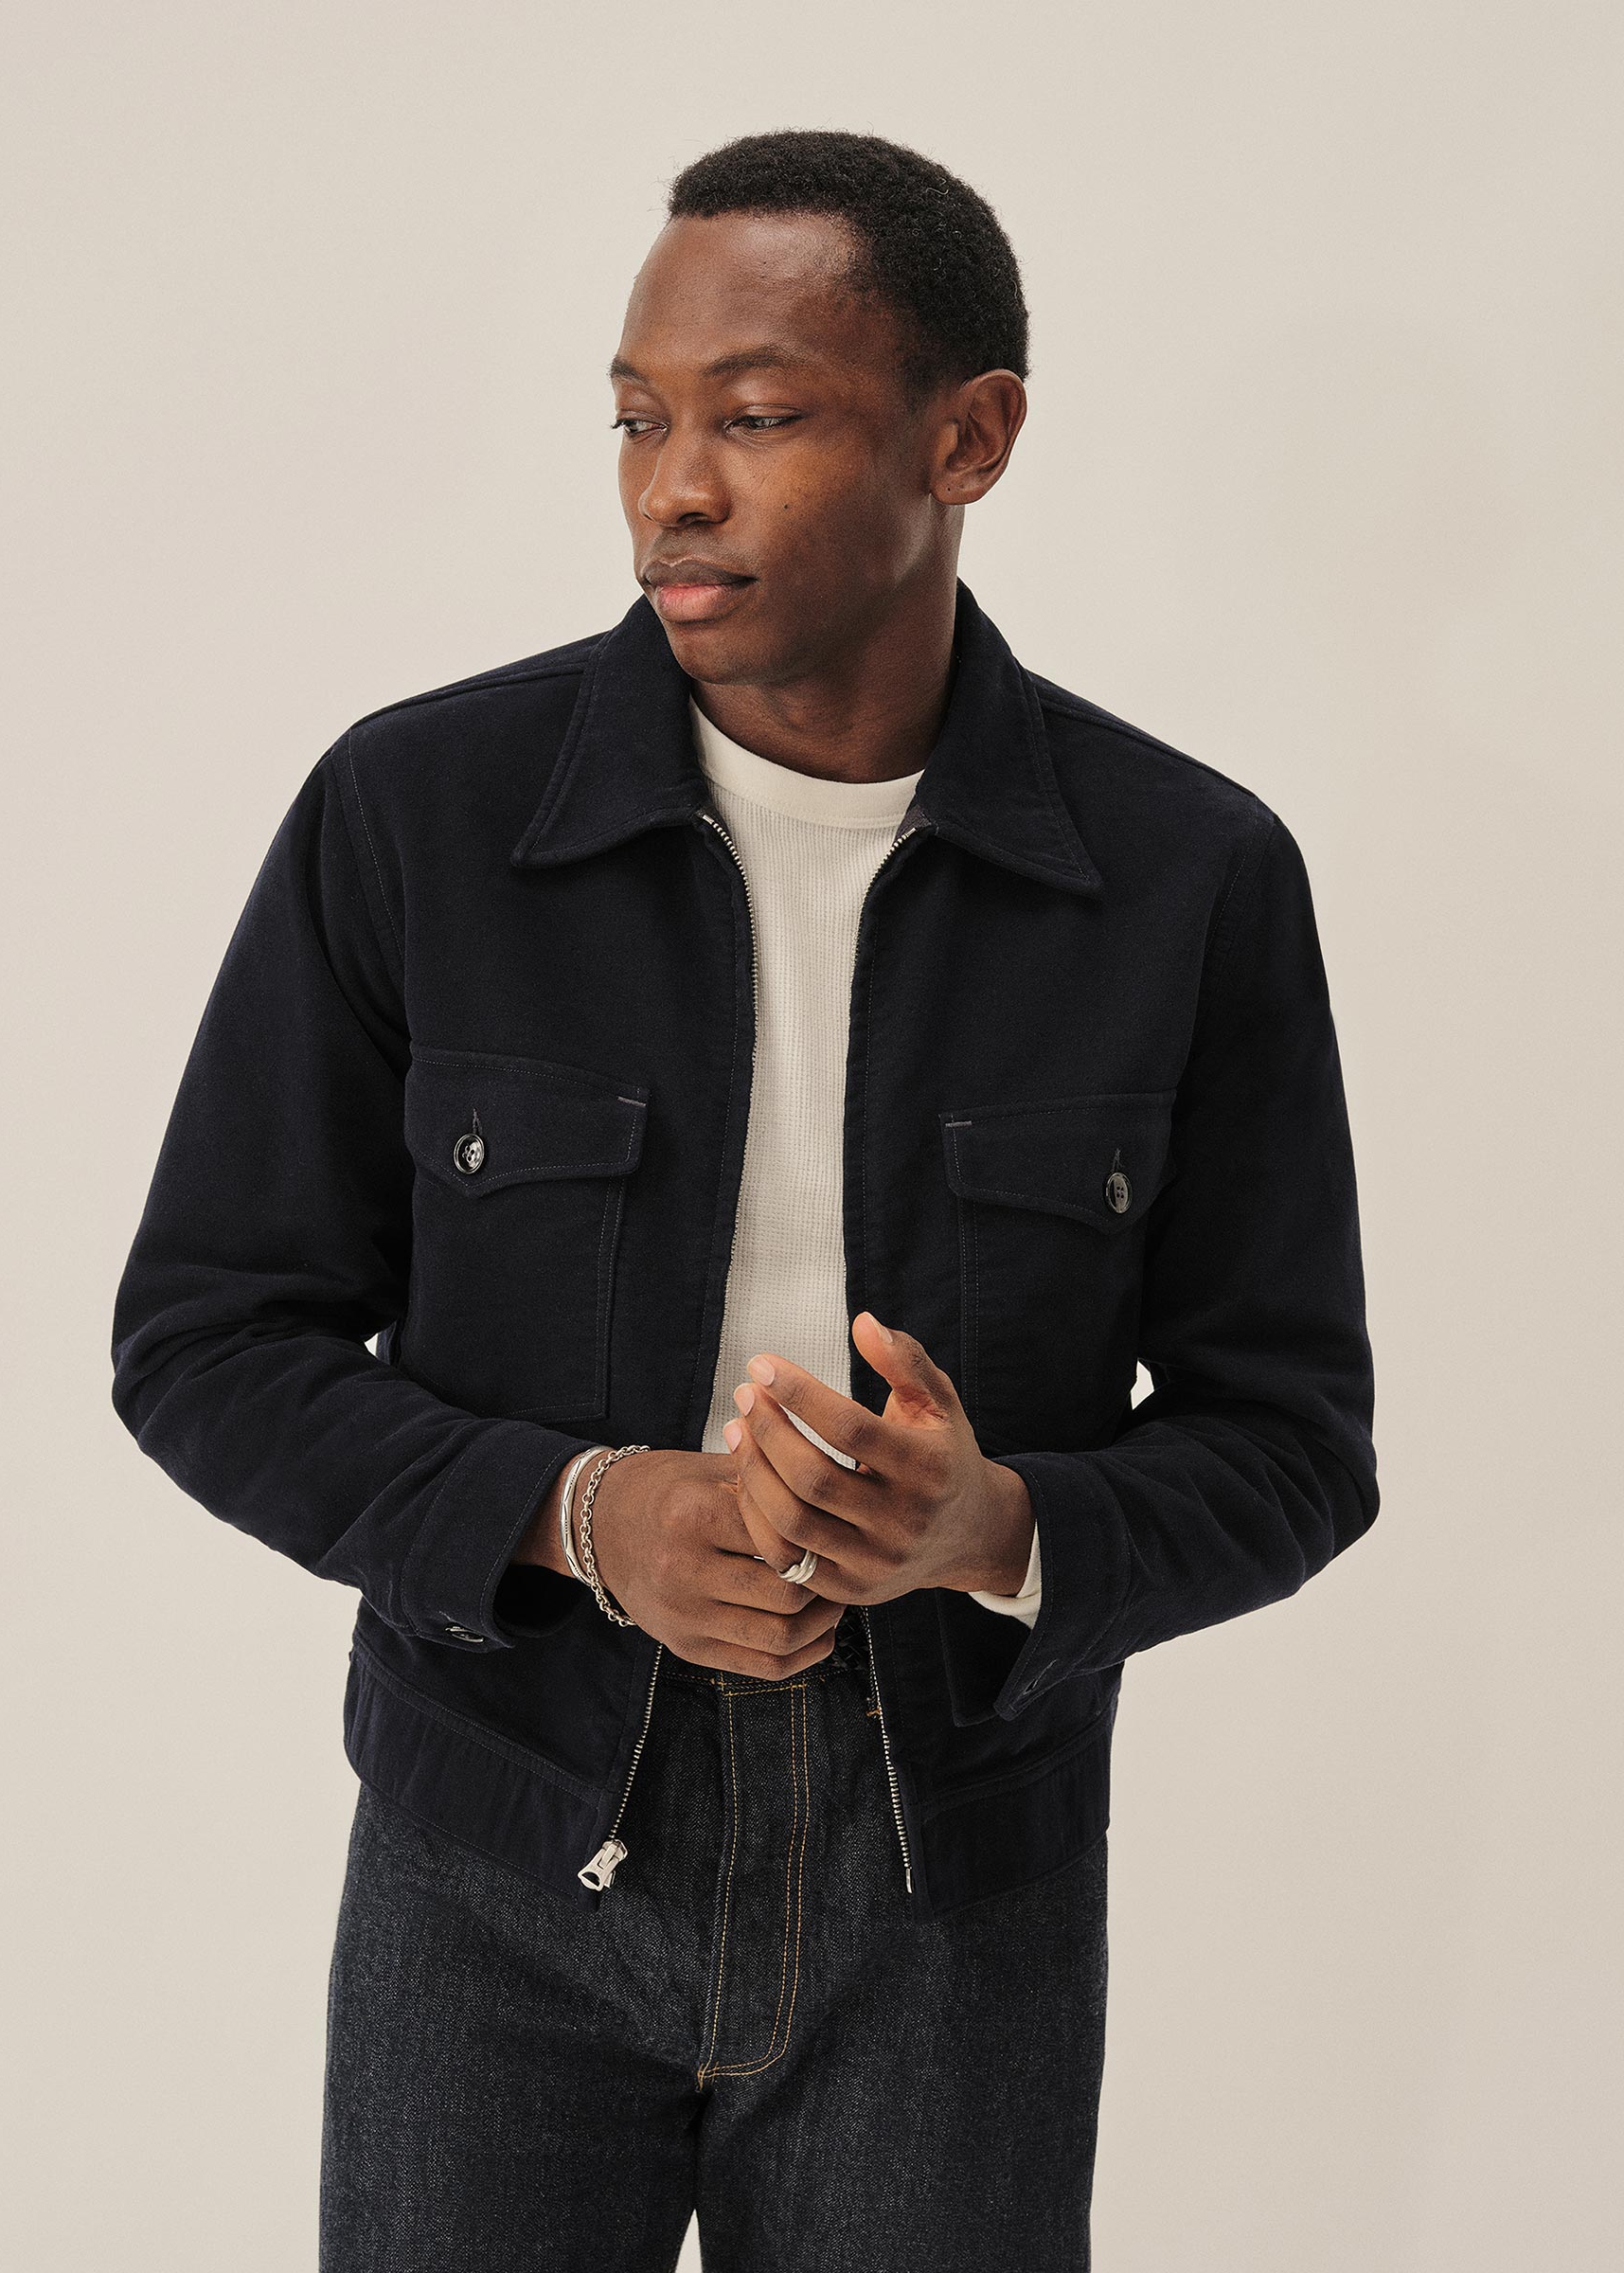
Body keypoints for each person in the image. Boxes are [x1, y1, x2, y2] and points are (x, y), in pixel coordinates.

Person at [110, 128, 1379, 2271]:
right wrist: (585, 1516)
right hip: (496, 1853)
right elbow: (205, 1339)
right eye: (638, 419)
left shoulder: (1186, 878)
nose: (670, 491)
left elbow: (1296, 1443)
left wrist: (996, 1529)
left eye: (758, 417)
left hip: (953, 1885)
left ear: (970, 439)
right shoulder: (421, 815)